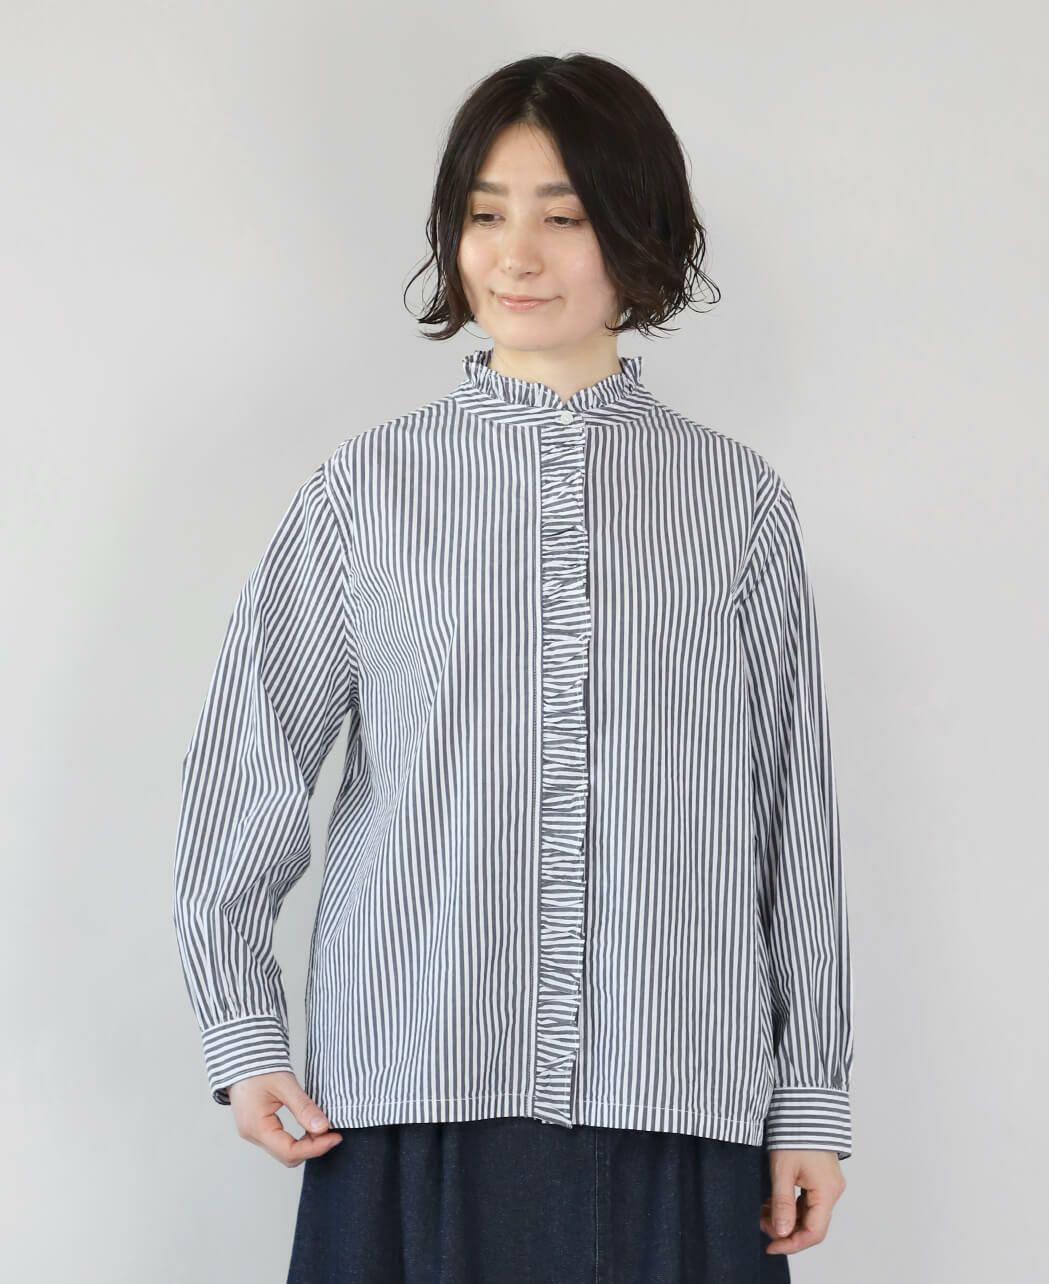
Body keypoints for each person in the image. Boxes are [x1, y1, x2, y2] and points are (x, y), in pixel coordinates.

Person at [173, 52, 853, 1283]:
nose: (516, 256)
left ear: (639, 234)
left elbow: (786, 814)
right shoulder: (365, 493)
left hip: (673, 1092)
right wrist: (243, 1026)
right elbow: (246, 762)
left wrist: (807, 1094)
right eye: (484, 215)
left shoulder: (733, 503)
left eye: (565, 216)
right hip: (410, 1086)